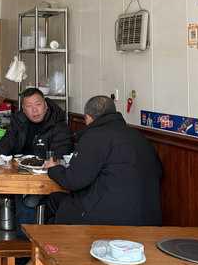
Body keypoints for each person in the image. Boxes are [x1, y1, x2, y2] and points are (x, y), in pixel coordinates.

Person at [43, 95, 162, 225]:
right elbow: (159, 171)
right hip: (148, 217)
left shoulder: (94, 137)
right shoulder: (138, 136)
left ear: (88, 117)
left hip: (109, 218)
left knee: (55, 200)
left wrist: (53, 168)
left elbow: (73, 181)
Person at [0, 87, 73, 228]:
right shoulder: (19, 121)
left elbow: (59, 156)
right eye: (29, 106)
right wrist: (2, 156)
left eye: (38, 104)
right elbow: (3, 146)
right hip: (20, 175)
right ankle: (22, 234)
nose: (34, 110)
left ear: (45, 105)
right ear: (24, 110)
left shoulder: (58, 125)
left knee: (27, 198)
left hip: (47, 179)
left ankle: (27, 238)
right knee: (6, 189)